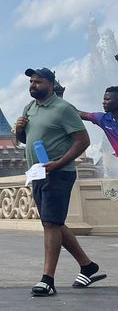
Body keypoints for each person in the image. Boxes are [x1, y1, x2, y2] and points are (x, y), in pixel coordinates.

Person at [14, 68, 106, 295]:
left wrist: (59, 162)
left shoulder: (64, 108)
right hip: (37, 173)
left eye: (38, 81)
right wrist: (19, 130)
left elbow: (82, 140)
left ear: (51, 84)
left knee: (51, 224)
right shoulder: (30, 109)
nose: (33, 85)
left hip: (59, 173)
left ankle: (47, 279)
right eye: (31, 81)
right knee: (51, 221)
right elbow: (26, 140)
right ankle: (88, 266)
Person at [78, 86, 118, 160]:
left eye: (107, 99)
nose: (103, 102)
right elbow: (77, 113)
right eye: (104, 99)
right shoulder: (104, 119)